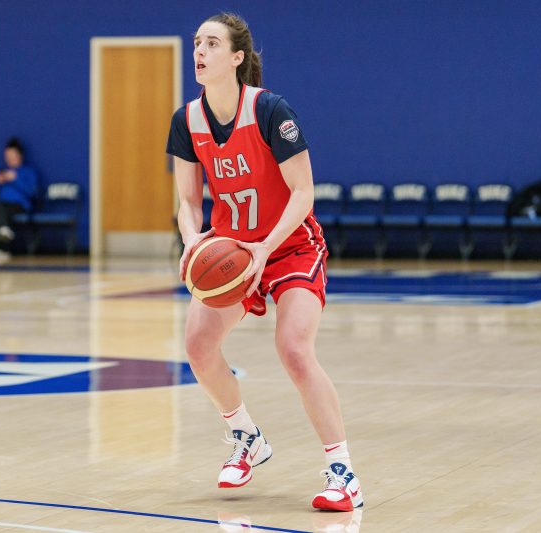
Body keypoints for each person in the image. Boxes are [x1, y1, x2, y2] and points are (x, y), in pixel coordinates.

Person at [166, 12, 363, 511]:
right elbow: (187, 200)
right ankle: (245, 437)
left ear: (237, 57)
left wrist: (264, 248)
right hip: (233, 249)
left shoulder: (271, 110)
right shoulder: (187, 120)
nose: (200, 51)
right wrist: (192, 241)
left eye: (212, 43)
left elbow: (303, 192)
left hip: (289, 245)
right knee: (198, 346)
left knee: (294, 349)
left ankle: (343, 472)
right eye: (197, 42)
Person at [0, 137, 38, 264]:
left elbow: (32, 193)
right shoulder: (2, 172)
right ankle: (4, 232)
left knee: (2, 212)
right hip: (1, 205)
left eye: (12, 155)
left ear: (20, 155)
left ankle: (2, 246)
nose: (10, 158)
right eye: (7, 156)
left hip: (20, 205)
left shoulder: (28, 172)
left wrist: (15, 179)